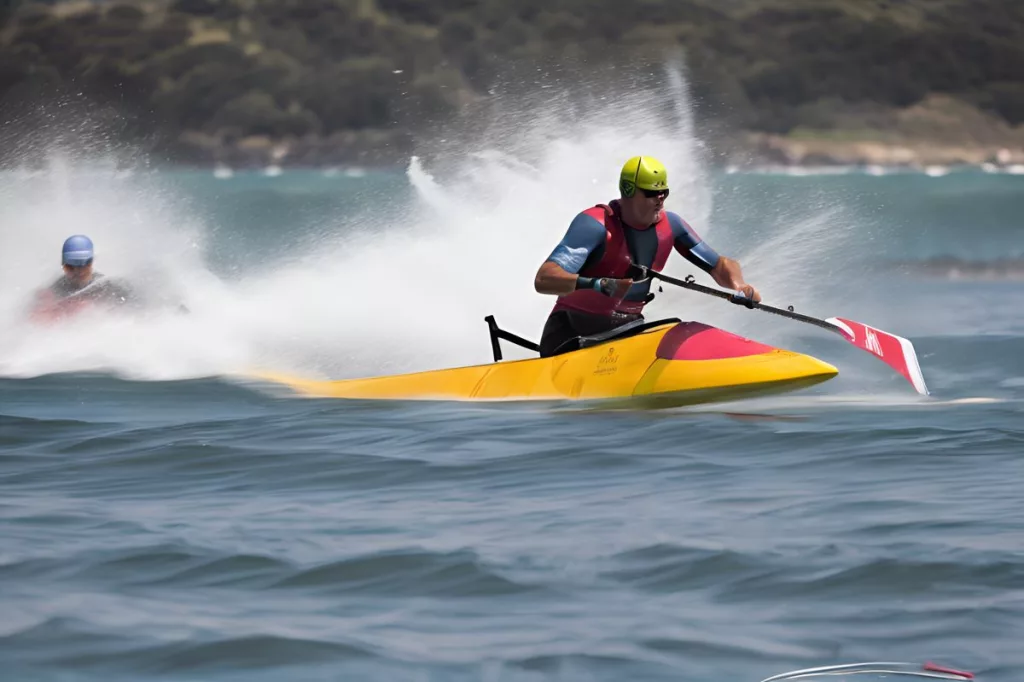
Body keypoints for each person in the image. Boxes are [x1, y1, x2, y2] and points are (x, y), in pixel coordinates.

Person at [533, 156, 761, 357]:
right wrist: (596, 284)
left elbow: (721, 265)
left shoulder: (672, 225)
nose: (660, 199)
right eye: (651, 193)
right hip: (571, 335)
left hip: (627, 331)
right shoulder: (594, 224)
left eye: (664, 192)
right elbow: (544, 278)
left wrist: (739, 286)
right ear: (628, 190)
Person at [29, 235, 137, 321]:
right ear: (63, 266)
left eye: (83, 265)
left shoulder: (107, 287)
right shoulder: (53, 291)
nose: (77, 271)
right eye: (71, 266)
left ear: (91, 263)